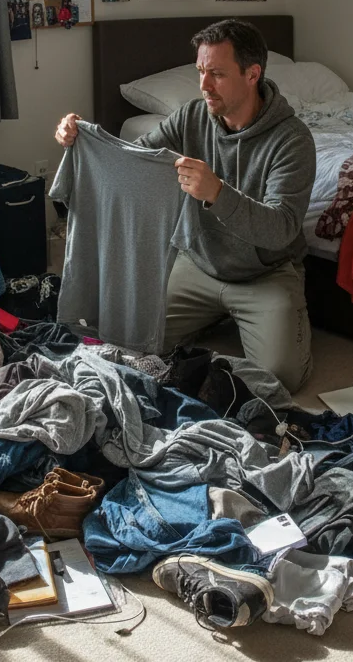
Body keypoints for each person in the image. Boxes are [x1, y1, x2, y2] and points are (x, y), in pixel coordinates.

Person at [54, 20, 317, 392]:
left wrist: (217, 193)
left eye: (217, 74)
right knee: (127, 340)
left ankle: (264, 319)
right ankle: (210, 318)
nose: (204, 85)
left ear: (252, 74)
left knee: (278, 379)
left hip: (265, 273)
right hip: (199, 263)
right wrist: (83, 138)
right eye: (200, 72)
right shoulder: (192, 116)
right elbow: (133, 160)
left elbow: (281, 229)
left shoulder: (292, 140)